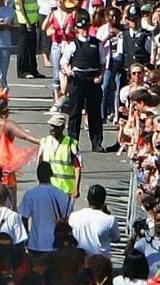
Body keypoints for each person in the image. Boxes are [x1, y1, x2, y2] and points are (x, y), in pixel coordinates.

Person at [57, 14, 106, 151]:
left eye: (86, 27)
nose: (84, 30)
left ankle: (97, 143)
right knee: (75, 113)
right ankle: (73, 142)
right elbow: (64, 61)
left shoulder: (97, 43)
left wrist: (100, 76)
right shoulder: (72, 44)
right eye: (81, 28)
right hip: (78, 80)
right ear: (77, 29)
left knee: (94, 113)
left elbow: (103, 62)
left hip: (93, 79)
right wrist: (69, 71)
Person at [38, 112, 82, 199]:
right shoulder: (45, 142)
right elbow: (40, 165)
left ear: (62, 128)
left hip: (66, 190)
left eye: (55, 126)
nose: (52, 129)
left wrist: (76, 188)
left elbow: (77, 167)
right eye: (51, 126)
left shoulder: (71, 144)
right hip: (49, 189)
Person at [67, 185, 119, 258]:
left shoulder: (73, 216)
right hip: (100, 263)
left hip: (79, 261)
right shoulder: (110, 219)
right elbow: (116, 239)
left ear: (87, 199)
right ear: (103, 200)